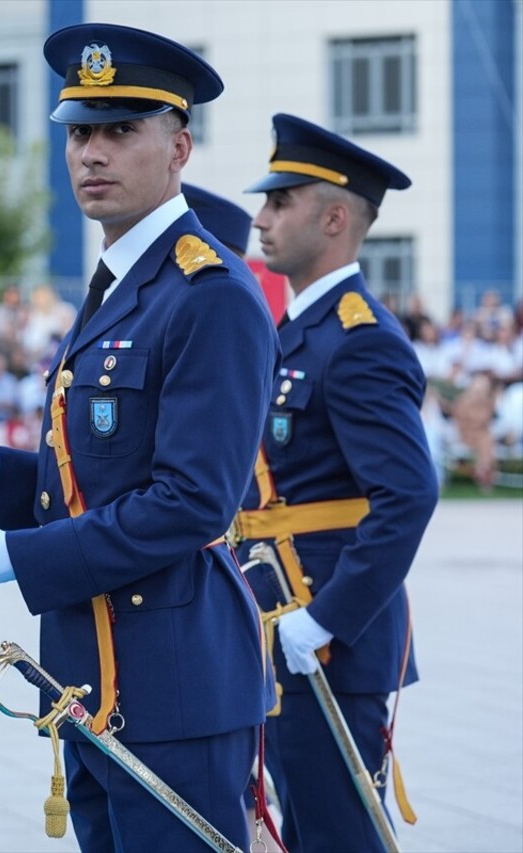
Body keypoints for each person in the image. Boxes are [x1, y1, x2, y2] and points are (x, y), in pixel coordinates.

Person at [0, 24, 278, 851]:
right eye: (81, 132)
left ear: (179, 146)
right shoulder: (125, 281)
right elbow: (97, 477)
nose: (93, 154)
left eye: (122, 131)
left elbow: (190, 501)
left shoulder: (206, 290)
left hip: (172, 677)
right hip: (92, 665)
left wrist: (18, 557)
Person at [233, 113, 440, 851]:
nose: (260, 217)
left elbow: (409, 493)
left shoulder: (360, 341)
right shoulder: (296, 333)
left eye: (279, 201)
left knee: (336, 834)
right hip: (281, 623)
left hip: (326, 641)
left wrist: (326, 619)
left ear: (333, 217)